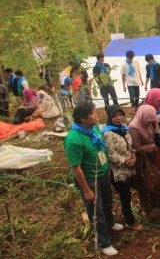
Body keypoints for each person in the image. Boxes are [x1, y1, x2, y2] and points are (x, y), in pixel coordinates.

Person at [64, 102, 123, 256]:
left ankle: (110, 224)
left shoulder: (94, 128)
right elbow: (76, 167)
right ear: (83, 119)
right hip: (90, 178)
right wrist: (86, 189)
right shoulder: (74, 139)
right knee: (96, 211)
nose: (96, 115)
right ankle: (103, 242)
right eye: (92, 113)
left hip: (103, 172)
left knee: (107, 202)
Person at [101, 105, 143, 231]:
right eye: (115, 116)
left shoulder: (124, 129)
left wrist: (134, 157)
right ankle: (129, 221)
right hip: (118, 171)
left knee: (128, 193)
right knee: (125, 196)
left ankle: (129, 215)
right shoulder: (108, 133)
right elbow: (110, 154)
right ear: (110, 118)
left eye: (121, 115)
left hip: (129, 167)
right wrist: (125, 161)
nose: (119, 118)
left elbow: (130, 147)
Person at [128, 105, 160, 217]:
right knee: (142, 184)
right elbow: (135, 148)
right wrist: (150, 147)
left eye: (151, 122)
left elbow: (152, 135)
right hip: (140, 161)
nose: (149, 124)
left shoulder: (147, 122)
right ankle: (146, 209)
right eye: (148, 122)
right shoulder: (134, 128)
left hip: (149, 158)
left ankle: (155, 204)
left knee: (151, 179)